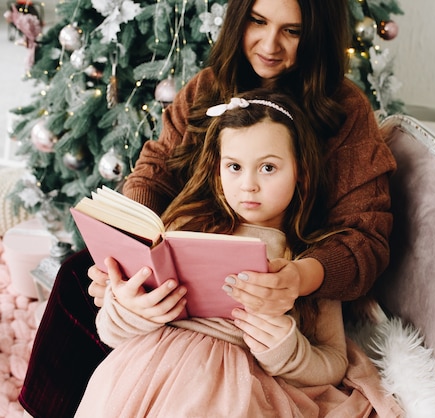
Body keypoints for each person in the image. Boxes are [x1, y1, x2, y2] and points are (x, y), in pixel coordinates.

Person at [19, 0, 396, 415]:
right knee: (77, 276)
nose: (270, 44)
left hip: (287, 265)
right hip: (193, 249)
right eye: (258, 21)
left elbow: (366, 236)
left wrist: (301, 277)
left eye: (293, 30)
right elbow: (154, 172)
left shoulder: (345, 110)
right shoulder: (207, 88)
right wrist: (129, 253)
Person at [74, 90, 401, 417]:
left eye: (268, 168)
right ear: (217, 171)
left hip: (238, 385)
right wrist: (131, 311)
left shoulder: (309, 258)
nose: (248, 185)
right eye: (234, 167)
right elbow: (112, 332)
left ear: (300, 171)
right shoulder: (184, 224)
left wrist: (286, 348)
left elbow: (333, 362)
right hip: (144, 370)